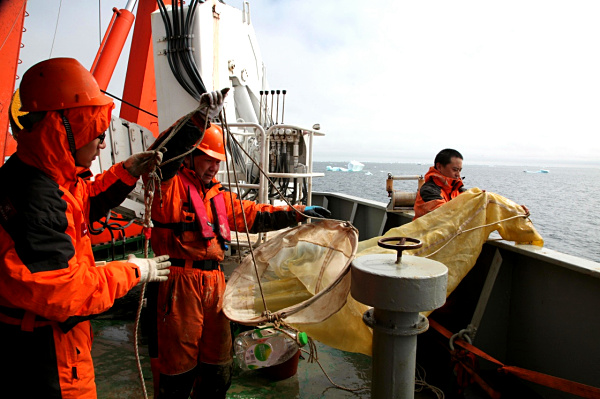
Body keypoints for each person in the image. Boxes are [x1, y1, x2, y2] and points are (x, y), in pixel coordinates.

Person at [0, 57, 171, 398]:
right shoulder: (39, 198)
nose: (102, 144)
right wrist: (132, 271)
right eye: (96, 133)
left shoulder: (32, 175)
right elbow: (66, 294)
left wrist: (127, 171)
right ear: (66, 128)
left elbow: (86, 199)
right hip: (47, 354)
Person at [145, 88, 331, 398]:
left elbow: (255, 215)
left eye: (218, 161)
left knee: (219, 367)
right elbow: (162, 155)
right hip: (178, 286)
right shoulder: (168, 186)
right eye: (208, 159)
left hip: (216, 285)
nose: (214, 167)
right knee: (179, 370)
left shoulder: (218, 196)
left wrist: (297, 213)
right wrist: (198, 120)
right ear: (191, 155)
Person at [413, 148, 529, 219]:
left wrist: (514, 210)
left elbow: (484, 205)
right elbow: (445, 215)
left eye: (460, 170)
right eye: (454, 170)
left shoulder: (458, 190)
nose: (458, 175)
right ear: (439, 166)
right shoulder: (428, 190)